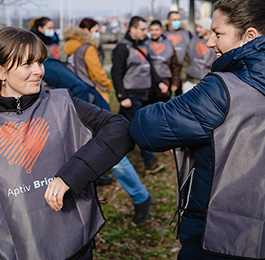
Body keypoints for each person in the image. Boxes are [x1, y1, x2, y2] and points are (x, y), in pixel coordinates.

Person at [130, 0, 265, 259]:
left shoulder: (224, 89)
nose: (210, 43)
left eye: (218, 34)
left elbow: (147, 129)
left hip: (222, 234)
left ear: (249, 36)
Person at [0, 26, 134, 259]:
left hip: (73, 244)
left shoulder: (62, 103)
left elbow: (119, 129)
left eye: (40, 62)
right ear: (1, 71)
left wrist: (71, 175)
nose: (39, 71)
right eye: (27, 64)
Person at [111, 16, 166, 174]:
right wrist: (122, 96)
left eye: (145, 29)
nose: (145, 32)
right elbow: (116, 73)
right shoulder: (122, 48)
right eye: (142, 29)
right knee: (140, 128)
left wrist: (159, 82)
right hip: (131, 96)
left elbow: (150, 67)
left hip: (144, 94)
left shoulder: (143, 45)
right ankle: (150, 163)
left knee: (120, 128)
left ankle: (109, 152)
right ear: (132, 29)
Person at [64, 17, 112, 103]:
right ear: (86, 30)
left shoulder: (71, 47)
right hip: (92, 91)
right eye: (96, 31)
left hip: (75, 89)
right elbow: (97, 72)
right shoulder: (88, 48)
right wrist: (108, 85)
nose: (98, 34)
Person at [146, 19, 181, 103]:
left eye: (156, 30)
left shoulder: (169, 44)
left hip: (165, 81)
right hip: (148, 82)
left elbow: (175, 65)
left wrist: (175, 82)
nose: (154, 32)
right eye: (151, 30)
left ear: (161, 30)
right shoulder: (145, 44)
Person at [182, 17, 216, 93]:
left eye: (200, 27)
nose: (197, 29)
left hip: (206, 83)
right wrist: (183, 80)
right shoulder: (193, 41)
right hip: (190, 81)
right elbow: (186, 61)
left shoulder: (216, 43)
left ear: (207, 28)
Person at [164, 11, 192, 95]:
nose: (177, 21)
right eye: (174, 19)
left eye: (179, 19)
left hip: (182, 71)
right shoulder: (163, 34)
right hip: (167, 71)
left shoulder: (187, 34)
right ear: (168, 21)